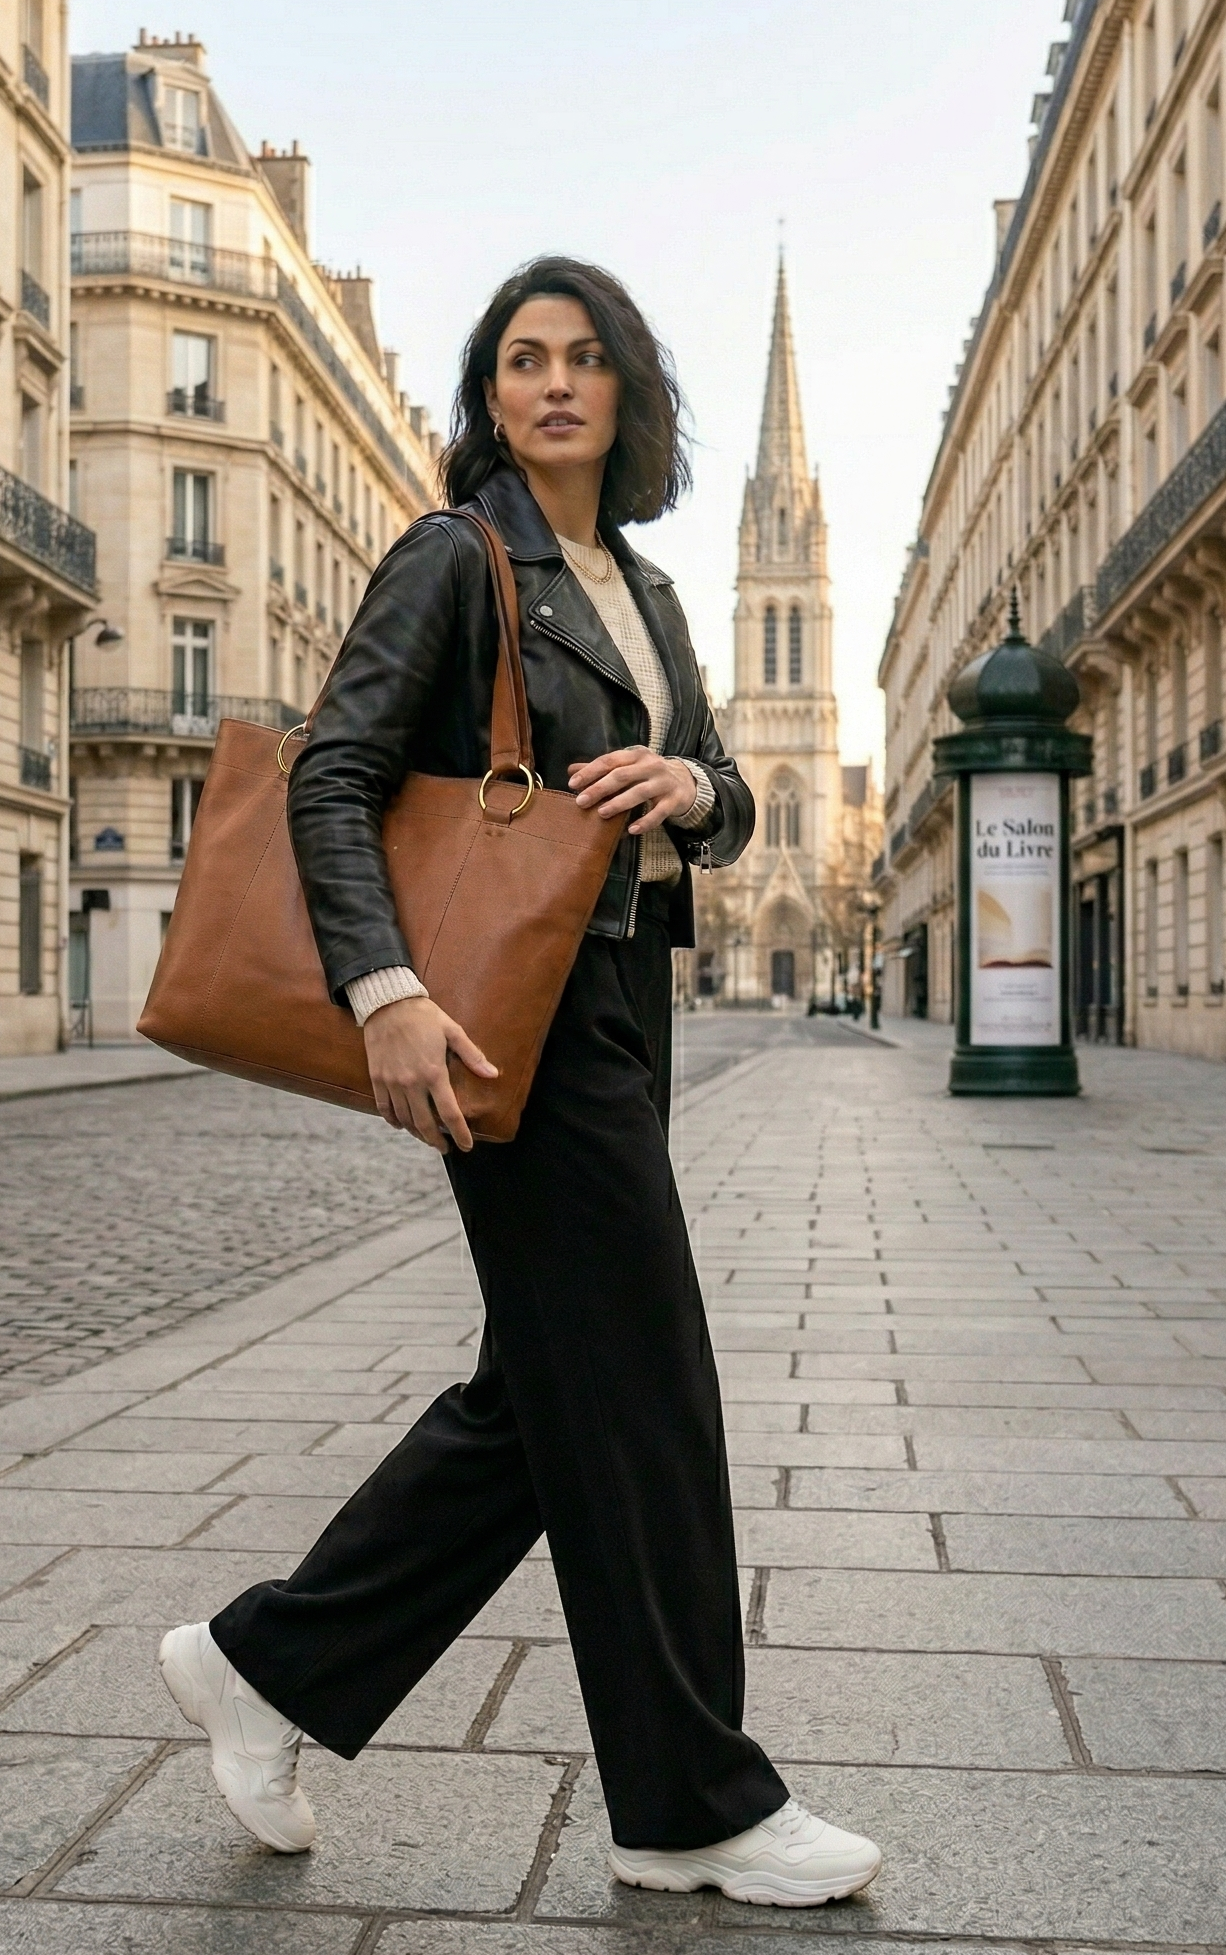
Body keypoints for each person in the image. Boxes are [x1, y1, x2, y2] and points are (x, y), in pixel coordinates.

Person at [157, 257, 882, 1910]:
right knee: (646, 1398)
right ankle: (689, 1801)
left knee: (541, 1402)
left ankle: (266, 1667)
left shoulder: (646, 589)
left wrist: (699, 783)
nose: (551, 382)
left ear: (628, 390)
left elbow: (727, 806)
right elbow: (332, 774)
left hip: (616, 1005)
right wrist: (385, 988)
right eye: (519, 358)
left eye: (583, 358)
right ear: (489, 394)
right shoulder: (455, 556)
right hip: (502, 1020)